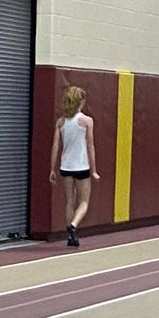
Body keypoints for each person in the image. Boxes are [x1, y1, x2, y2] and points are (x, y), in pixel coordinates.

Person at [49, 85, 99, 247]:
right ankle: (73, 225)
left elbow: (56, 146)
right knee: (84, 202)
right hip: (82, 165)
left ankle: (71, 236)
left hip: (66, 166)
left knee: (70, 200)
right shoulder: (86, 121)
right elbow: (90, 146)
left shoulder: (61, 121)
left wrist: (52, 169)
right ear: (81, 101)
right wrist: (94, 170)